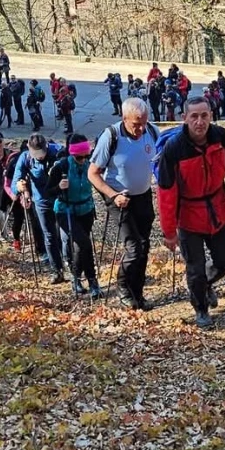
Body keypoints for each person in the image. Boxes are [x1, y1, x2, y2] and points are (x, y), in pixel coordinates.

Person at [158, 97, 225, 329]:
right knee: (195, 269)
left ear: (211, 115)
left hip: (218, 211)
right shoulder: (174, 149)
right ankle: (201, 308)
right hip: (188, 217)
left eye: (204, 115)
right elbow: (166, 192)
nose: (199, 121)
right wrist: (169, 231)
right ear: (185, 118)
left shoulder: (223, 139)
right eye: (194, 116)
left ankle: (206, 284)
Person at [89, 97, 159, 310]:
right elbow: (93, 173)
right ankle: (123, 288)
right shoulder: (111, 136)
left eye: (144, 123)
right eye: (136, 124)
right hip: (120, 199)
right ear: (124, 118)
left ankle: (138, 293)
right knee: (134, 247)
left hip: (143, 196)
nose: (141, 129)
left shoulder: (152, 131)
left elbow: (160, 158)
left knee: (144, 246)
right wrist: (113, 195)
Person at [47, 134, 102, 297]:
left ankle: (76, 279)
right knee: (85, 243)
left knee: (80, 246)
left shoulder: (90, 165)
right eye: (79, 157)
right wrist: (58, 187)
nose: (83, 160)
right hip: (65, 211)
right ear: (72, 154)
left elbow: (99, 182)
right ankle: (92, 281)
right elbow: (48, 192)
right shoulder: (61, 167)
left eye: (86, 156)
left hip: (86, 210)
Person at [12, 133, 65, 283]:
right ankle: (57, 270)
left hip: (61, 198)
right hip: (41, 201)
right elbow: (16, 180)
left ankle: (71, 264)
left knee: (64, 234)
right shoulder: (25, 158)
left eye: (42, 153)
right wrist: (19, 186)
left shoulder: (58, 151)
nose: (40, 156)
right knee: (49, 235)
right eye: (36, 154)